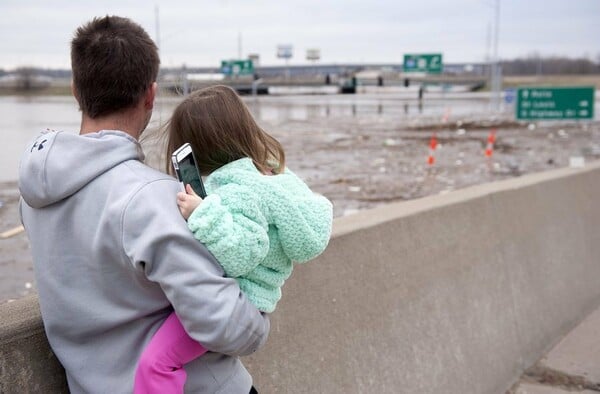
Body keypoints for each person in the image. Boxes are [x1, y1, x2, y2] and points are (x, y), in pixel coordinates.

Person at [18, 16, 269, 393]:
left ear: (75, 89)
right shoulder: (154, 198)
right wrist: (263, 299)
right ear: (150, 96)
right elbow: (228, 327)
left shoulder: (34, 195)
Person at [134, 85, 333, 393]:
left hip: (239, 302)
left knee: (156, 364)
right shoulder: (262, 176)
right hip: (249, 302)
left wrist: (204, 214)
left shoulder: (235, 189)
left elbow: (245, 253)